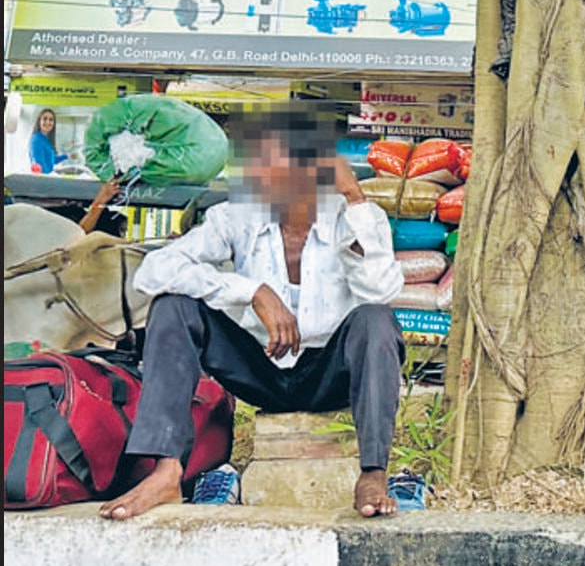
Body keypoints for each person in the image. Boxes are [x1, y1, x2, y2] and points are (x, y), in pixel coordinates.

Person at [98, 107, 406, 520]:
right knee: (174, 306)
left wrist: (355, 200)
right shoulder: (236, 217)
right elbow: (155, 270)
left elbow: (382, 292)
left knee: (375, 320)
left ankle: (373, 472)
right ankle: (166, 470)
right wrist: (250, 291)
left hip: (330, 373)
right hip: (259, 367)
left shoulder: (354, 218)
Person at [29, 108, 65, 175]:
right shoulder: (36, 140)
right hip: (43, 180)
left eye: (51, 120)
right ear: (39, 121)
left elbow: (51, 159)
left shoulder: (45, 139)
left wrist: (66, 156)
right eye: (45, 119)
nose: (48, 122)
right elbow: (38, 164)